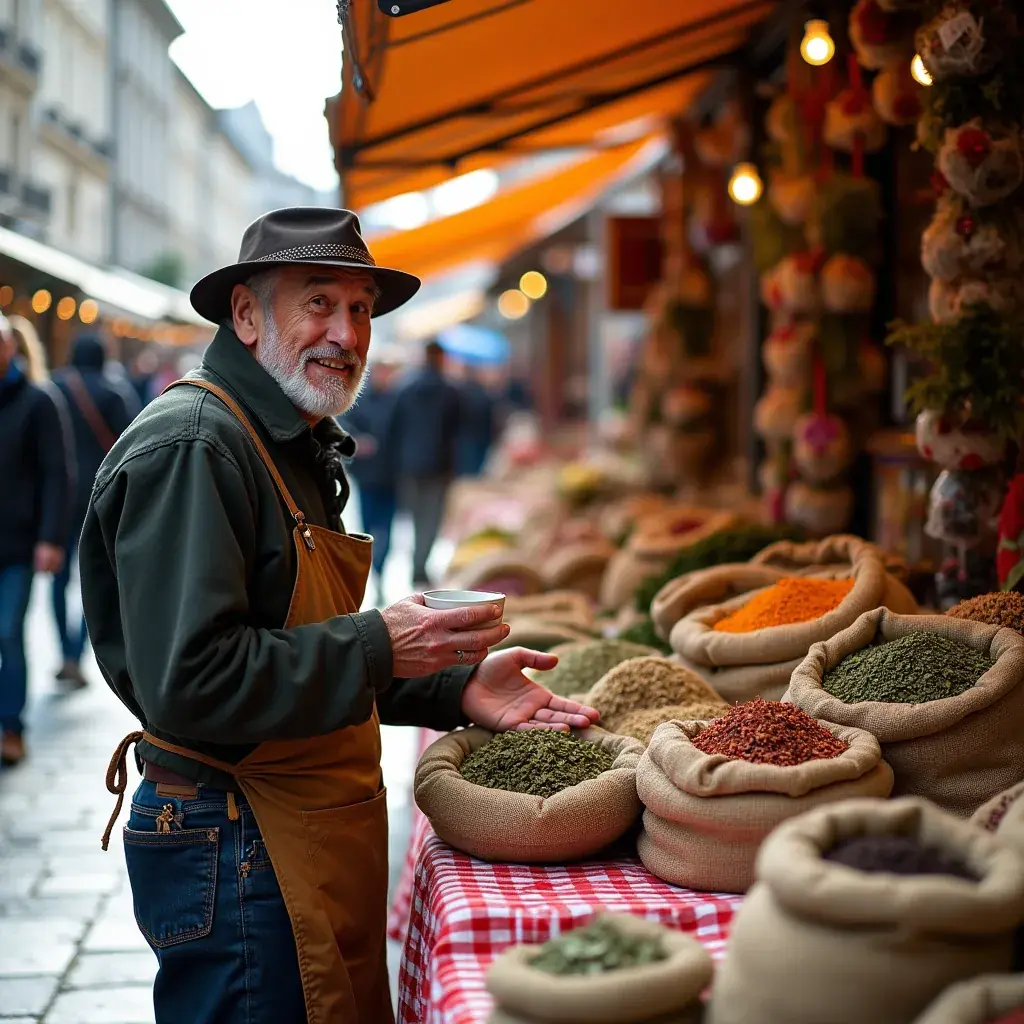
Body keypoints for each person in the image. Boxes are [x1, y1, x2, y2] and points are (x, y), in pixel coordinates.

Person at [81, 207, 598, 1024]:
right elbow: (194, 682)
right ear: (246, 315)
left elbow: (290, 649)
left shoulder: (285, 434)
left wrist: (454, 687)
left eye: (360, 309)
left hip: (287, 831)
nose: (347, 333)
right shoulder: (198, 446)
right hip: (237, 835)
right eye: (318, 302)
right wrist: (380, 640)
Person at [0, 313, 72, 766]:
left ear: (10, 347)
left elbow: (56, 474)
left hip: (18, 544)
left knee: (8, 632)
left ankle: (12, 727)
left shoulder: (38, 400)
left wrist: (51, 538)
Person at [51, 334, 139, 686]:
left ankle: (64, 651)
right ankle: (76, 653)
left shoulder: (55, 387)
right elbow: (135, 444)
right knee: (99, 576)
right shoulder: (114, 391)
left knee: (59, 579)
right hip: (101, 496)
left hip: (60, 497)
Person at [389, 338, 462, 587]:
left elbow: (393, 428)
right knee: (431, 520)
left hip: (409, 464)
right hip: (439, 464)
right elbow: (459, 429)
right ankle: (420, 567)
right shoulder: (450, 391)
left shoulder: (406, 389)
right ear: (441, 358)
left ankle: (417, 565)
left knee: (412, 518)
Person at [340, 344, 403, 606]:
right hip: (366, 474)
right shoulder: (359, 398)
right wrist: (356, 441)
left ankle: (380, 568)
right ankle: (371, 574)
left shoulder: (398, 399)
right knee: (368, 526)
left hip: (392, 474)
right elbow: (343, 424)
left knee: (387, 527)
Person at [457, 362, 496, 477]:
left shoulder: (459, 393)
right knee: (477, 470)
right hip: (480, 437)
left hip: (465, 438)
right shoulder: (483, 394)